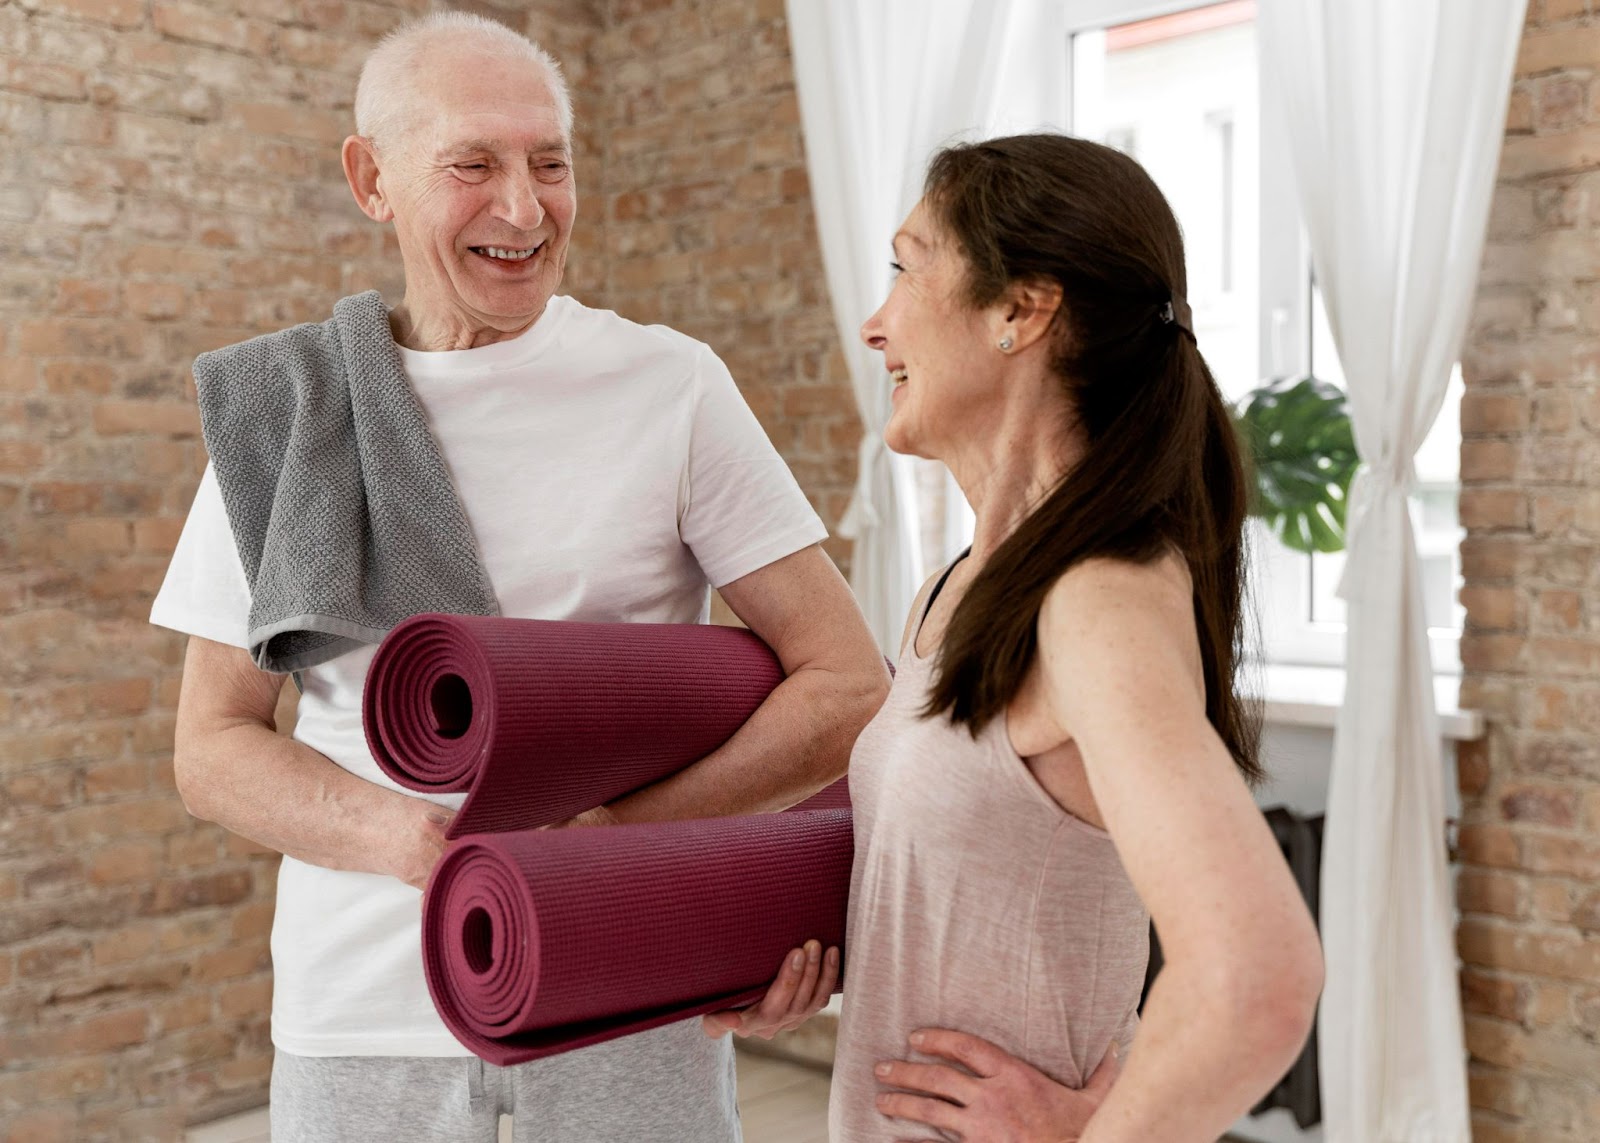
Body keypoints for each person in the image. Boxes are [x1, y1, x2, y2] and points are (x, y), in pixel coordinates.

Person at [151, 12, 886, 1142]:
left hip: (620, 992)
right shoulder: (289, 417)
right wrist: (414, 844)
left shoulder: (669, 387)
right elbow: (213, 746)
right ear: (372, 180)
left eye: (551, 163)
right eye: (472, 165)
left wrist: (616, 846)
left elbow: (844, 682)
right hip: (361, 1021)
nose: (524, 207)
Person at [707, 134, 1325, 1142]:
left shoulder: (1095, 601)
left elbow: (1257, 979)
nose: (875, 323)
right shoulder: (956, 591)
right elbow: (984, 896)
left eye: (906, 269)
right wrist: (820, 971)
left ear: (1020, 310)